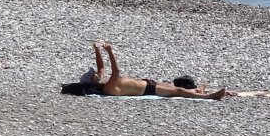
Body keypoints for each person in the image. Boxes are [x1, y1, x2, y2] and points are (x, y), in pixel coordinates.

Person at [62, 42, 225, 99]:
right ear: (93, 82)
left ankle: (198, 90)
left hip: (148, 83)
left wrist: (97, 49)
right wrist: (111, 52)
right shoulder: (108, 87)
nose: (97, 73)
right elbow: (116, 71)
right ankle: (209, 96)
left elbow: (102, 67)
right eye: (94, 75)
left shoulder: (102, 81)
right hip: (147, 90)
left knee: (177, 88)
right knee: (179, 90)